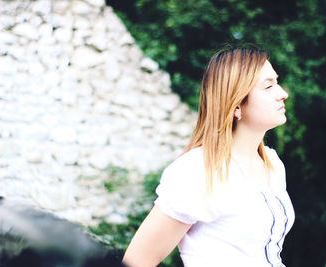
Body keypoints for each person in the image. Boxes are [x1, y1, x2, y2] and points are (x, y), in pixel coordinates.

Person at [123, 46, 295, 267]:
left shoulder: (272, 164)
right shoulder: (199, 169)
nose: (282, 93)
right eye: (268, 86)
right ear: (236, 105)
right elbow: (138, 260)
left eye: (276, 83)